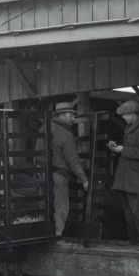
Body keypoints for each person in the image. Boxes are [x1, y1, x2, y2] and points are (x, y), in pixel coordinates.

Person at [107, 100, 139, 249]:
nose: (124, 118)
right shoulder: (132, 129)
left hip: (137, 178)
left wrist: (122, 150)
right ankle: (135, 240)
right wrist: (117, 148)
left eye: (127, 115)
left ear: (135, 115)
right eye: (123, 116)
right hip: (129, 178)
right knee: (129, 210)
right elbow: (133, 150)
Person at [48, 102, 89, 238]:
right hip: (59, 175)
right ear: (61, 116)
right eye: (70, 115)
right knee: (61, 207)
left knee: (46, 205)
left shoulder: (44, 128)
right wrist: (84, 180)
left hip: (43, 174)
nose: (73, 119)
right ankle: (57, 235)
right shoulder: (66, 135)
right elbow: (73, 161)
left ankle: (46, 233)